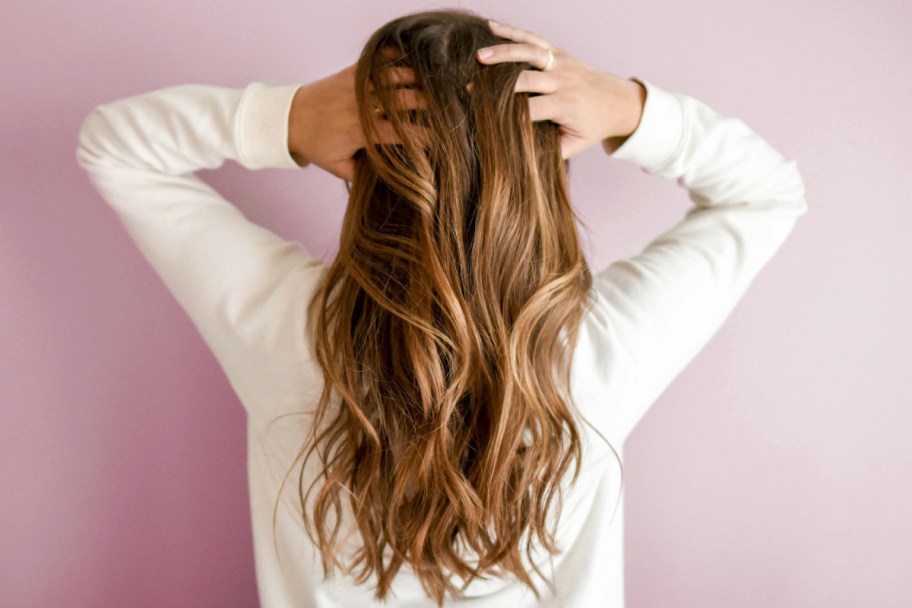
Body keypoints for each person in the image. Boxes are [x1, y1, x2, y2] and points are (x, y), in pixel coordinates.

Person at [75, 9, 808, 608]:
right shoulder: (595, 355)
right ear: (542, 173)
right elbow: (767, 193)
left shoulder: (291, 335)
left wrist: (288, 117)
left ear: (363, 161)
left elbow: (114, 146)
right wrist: (628, 108)